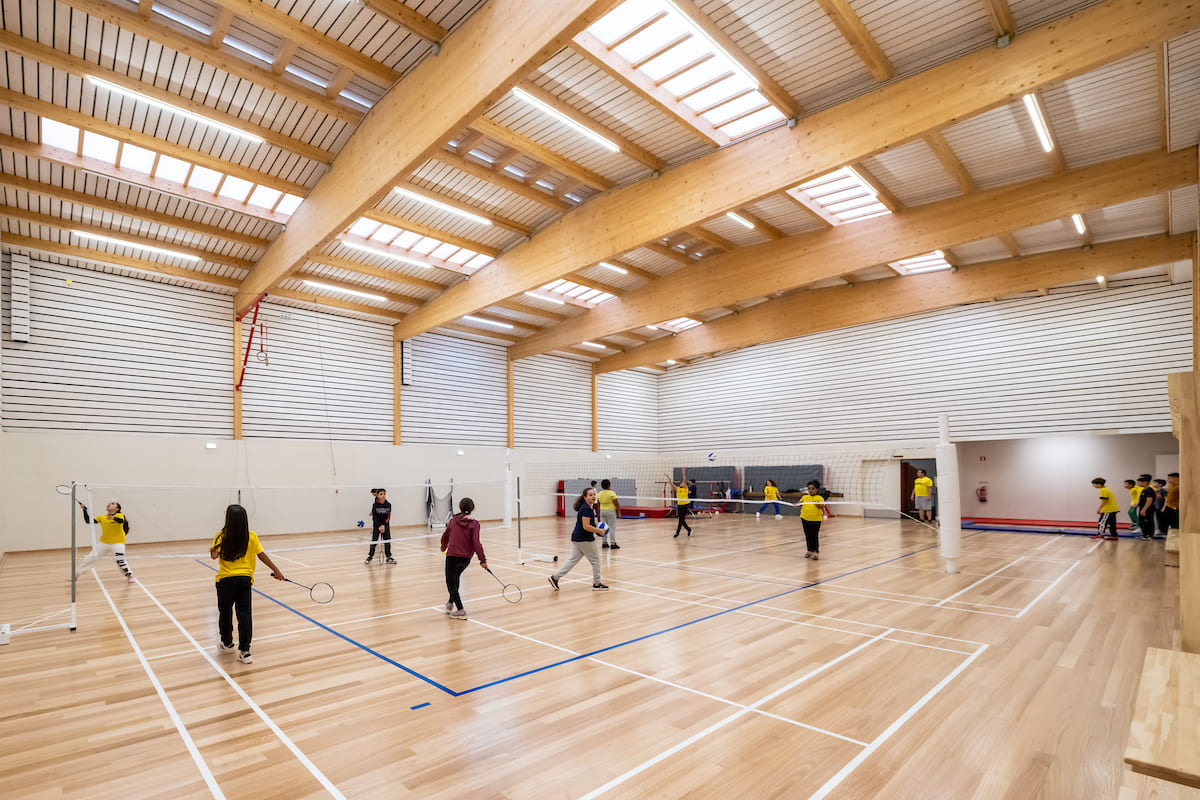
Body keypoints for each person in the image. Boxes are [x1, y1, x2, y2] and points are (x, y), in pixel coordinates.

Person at [210, 504, 285, 664]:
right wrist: (276, 570)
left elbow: (214, 556)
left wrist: (219, 547)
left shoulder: (221, 536)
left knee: (225, 612)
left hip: (225, 581)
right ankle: (245, 652)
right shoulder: (251, 536)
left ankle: (227, 643)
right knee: (244, 615)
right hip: (245, 580)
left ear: (228, 519)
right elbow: (261, 555)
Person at [548, 487, 608, 591]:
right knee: (596, 561)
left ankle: (555, 577)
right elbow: (586, 526)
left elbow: (588, 524)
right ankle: (597, 584)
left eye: (594, 494)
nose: (593, 496)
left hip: (577, 537)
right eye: (590, 495)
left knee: (573, 560)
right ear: (585, 497)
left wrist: (596, 526)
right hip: (584, 539)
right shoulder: (586, 508)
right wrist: (599, 531)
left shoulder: (588, 507)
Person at [440, 498, 486, 620]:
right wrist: (482, 560)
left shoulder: (453, 521)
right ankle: (450, 603)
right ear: (472, 508)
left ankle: (460, 609)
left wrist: (443, 547)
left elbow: (445, 535)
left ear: (460, 507)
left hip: (453, 555)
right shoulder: (475, 524)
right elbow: (476, 543)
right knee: (455, 578)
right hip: (466, 558)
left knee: (450, 582)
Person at [75, 500, 135, 583]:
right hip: (103, 543)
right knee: (90, 558)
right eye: (110, 503)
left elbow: (120, 521)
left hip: (118, 544)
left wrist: (112, 517)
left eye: (113, 504)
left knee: (120, 561)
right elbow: (88, 521)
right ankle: (77, 573)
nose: (109, 504)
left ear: (117, 509)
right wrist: (84, 510)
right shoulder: (102, 517)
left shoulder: (120, 515)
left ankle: (129, 575)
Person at [365, 488, 395, 565]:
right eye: (381, 494)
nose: (383, 496)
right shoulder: (375, 505)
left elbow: (388, 517)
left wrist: (384, 525)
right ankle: (370, 556)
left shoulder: (388, 504)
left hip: (385, 526)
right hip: (376, 526)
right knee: (374, 541)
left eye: (384, 494)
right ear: (377, 495)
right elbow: (374, 517)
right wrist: (379, 526)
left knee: (387, 541)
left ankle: (388, 557)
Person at [799, 481, 827, 560]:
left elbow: (822, 506)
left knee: (814, 536)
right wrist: (796, 504)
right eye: (809, 489)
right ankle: (809, 551)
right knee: (807, 536)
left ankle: (816, 552)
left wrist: (818, 505)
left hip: (815, 520)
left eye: (813, 489)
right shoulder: (805, 497)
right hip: (804, 518)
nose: (810, 490)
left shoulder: (819, 498)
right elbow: (798, 504)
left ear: (817, 490)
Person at [667, 470, 692, 538]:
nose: (681, 484)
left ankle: (677, 533)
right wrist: (669, 478)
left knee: (681, 519)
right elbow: (671, 484)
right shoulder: (678, 489)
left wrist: (683, 473)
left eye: (683, 483)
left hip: (685, 505)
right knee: (681, 519)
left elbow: (684, 480)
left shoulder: (686, 489)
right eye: (681, 483)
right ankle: (689, 530)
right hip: (679, 505)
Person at [597, 479, 621, 549]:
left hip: (602, 511)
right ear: (609, 486)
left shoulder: (599, 494)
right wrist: (619, 511)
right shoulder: (611, 493)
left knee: (603, 527)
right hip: (610, 511)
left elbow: (598, 503)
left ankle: (604, 543)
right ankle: (613, 543)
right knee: (611, 527)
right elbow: (616, 502)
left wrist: (599, 511)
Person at [1136, 474, 1156, 541]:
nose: (1138, 484)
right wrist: (1137, 505)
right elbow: (1142, 500)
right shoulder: (1144, 490)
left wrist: (1144, 509)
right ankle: (1144, 535)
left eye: (1140, 482)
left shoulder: (1149, 490)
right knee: (1142, 522)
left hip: (1148, 509)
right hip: (1142, 508)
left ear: (1145, 482)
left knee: (1148, 522)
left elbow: (1149, 501)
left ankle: (1150, 535)